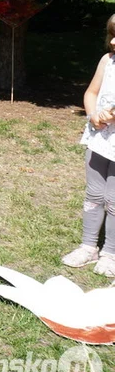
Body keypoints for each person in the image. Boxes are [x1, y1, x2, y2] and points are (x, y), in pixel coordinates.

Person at [63, 15, 115, 275]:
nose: (114, 40)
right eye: (112, 34)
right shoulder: (107, 61)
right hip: (99, 140)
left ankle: (111, 254)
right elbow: (91, 93)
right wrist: (93, 113)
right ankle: (88, 247)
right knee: (94, 194)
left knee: (114, 200)